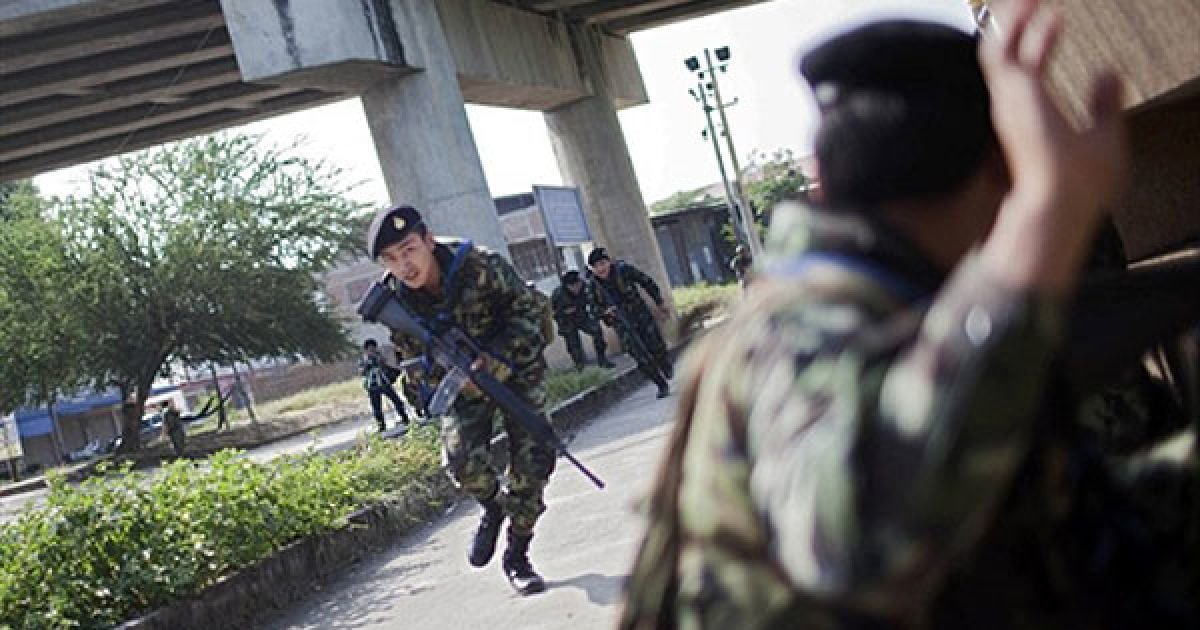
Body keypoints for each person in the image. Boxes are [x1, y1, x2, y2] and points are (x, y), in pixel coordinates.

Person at [620, 5, 1197, 628]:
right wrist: (1045, 216)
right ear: (1004, 168)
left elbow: (1067, 526)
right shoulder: (796, 331)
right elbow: (851, 535)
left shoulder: (903, 311)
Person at [366, 204, 554, 595]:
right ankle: (493, 506)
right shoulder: (395, 301)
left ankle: (517, 556)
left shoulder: (481, 266)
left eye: (409, 250)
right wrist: (439, 380)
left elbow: (531, 316)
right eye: (391, 259)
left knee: (534, 460)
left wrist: (498, 357)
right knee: (460, 461)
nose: (405, 266)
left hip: (516, 372)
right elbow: (409, 362)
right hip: (462, 383)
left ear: (429, 241)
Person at [586, 247, 672, 398]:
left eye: (602, 263)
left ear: (609, 262)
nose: (600, 269)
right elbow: (592, 309)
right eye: (596, 266)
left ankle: (664, 363)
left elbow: (647, 282)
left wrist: (659, 302)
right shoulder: (593, 286)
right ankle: (660, 384)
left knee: (655, 345)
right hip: (621, 323)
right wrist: (605, 312)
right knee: (639, 356)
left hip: (640, 314)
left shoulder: (623, 270)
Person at [552, 270, 615, 371]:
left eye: (577, 285)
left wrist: (602, 314)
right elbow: (553, 313)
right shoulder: (558, 294)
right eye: (572, 286)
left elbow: (594, 302)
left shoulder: (586, 288)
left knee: (597, 330)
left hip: (581, 316)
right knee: (573, 344)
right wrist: (563, 313)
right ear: (567, 286)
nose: (576, 288)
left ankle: (602, 360)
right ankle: (580, 366)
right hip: (566, 321)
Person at [358, 339, 410, 433]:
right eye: (370, 349)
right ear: (366, 350)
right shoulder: (363, 359)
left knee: (397, 401)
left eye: (373, 348)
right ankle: (381, 426)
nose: (372, 350)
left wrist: (378, 359)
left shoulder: (380, 356)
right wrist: (367, 364)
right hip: (372, 386)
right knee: (376, 408)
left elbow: (385, 364)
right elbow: (362, 372)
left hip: (384, 383)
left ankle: (405, 418)